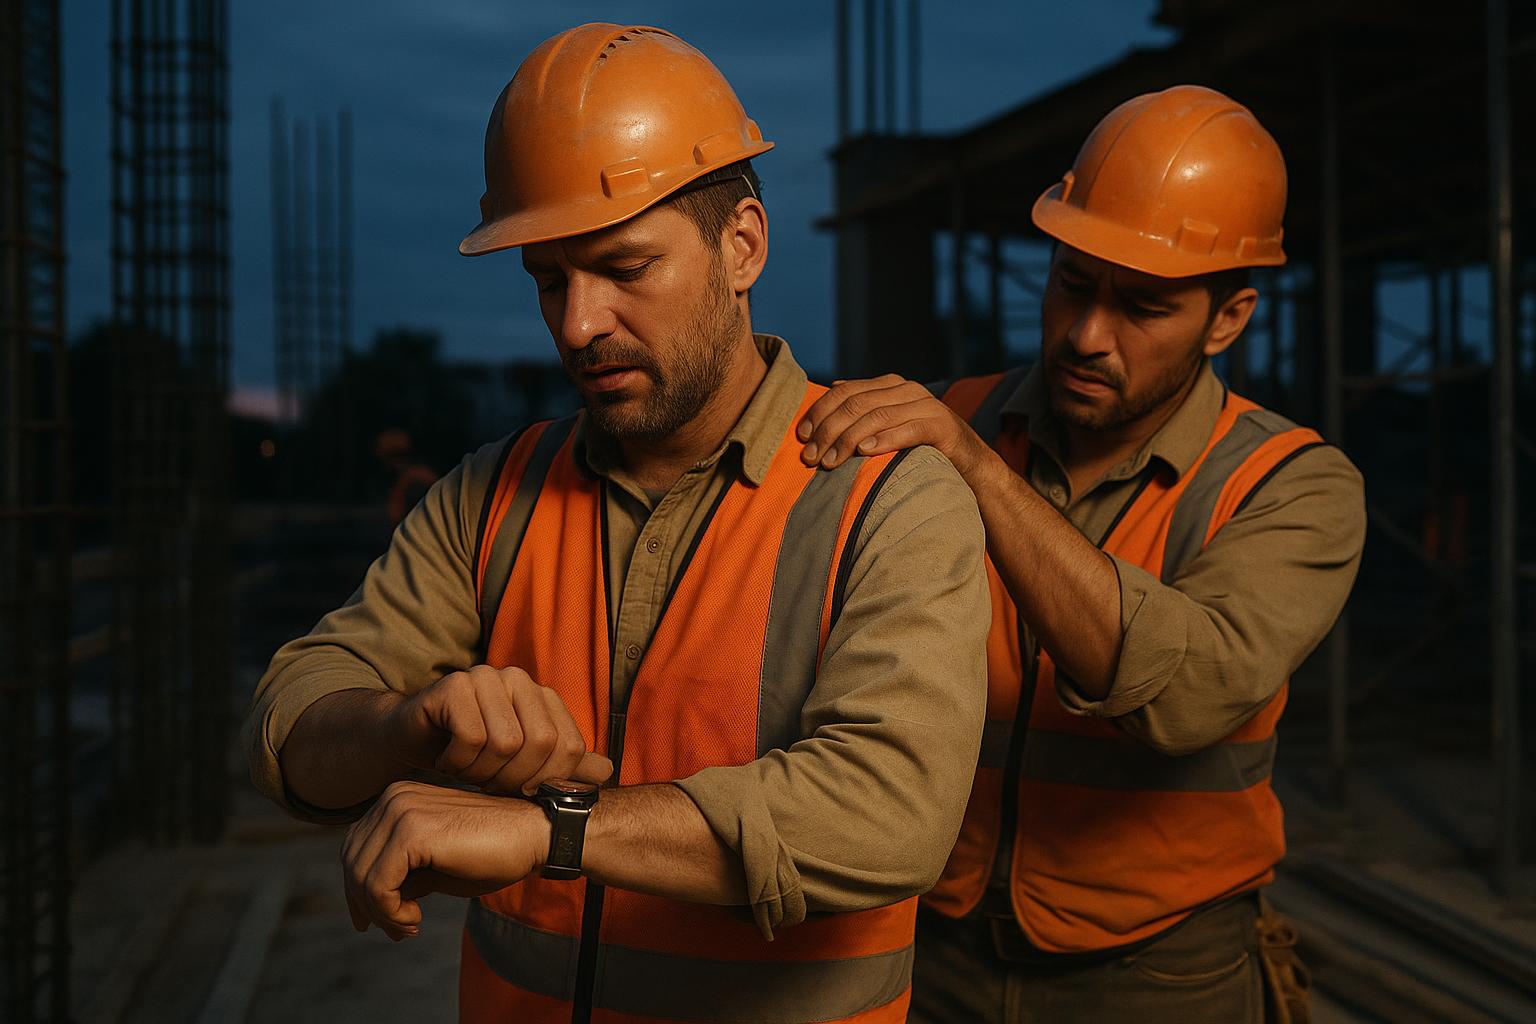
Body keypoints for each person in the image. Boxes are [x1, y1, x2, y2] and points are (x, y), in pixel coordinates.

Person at [242, 23, 990, 1024]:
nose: (577, 324)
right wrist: (407, 722)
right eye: (550, 279)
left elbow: (891, 814)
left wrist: (550, 831)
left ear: (743, 247)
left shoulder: (884, 497)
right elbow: (288, 722)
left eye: (624, 268)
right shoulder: (492, 493)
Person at [798, 85, 1366, 1022]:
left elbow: (1182, 694)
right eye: (1072, 284)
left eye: (1144, 308)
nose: (1088, 337)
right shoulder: (952, 419)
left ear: (1229, 318)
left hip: (1158, 973)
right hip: (927, 942)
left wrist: (978, 471)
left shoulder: (1289, 487)